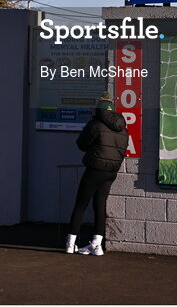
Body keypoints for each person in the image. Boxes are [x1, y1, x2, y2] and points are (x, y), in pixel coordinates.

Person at [66, 91, 129, 256]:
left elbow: (81, 144)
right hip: (111, 173)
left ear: (99, 110)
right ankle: (96, 245)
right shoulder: (123, 128)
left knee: (81, 204)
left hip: (95, 170)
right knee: (100, 206)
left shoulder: (95, 124)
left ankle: (70, 244)